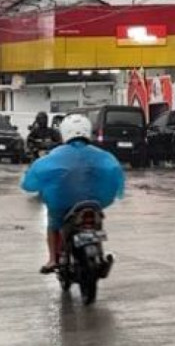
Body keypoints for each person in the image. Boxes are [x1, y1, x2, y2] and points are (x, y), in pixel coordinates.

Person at [21, 114, 125, 274]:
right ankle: (100, 255)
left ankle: (52, 260)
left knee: (53, 224)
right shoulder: (101, 155)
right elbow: (115, 171)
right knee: (97, 221)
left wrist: (32, 184)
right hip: (94, 202)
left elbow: (32, 178)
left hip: (63, 205)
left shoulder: (55, 154)